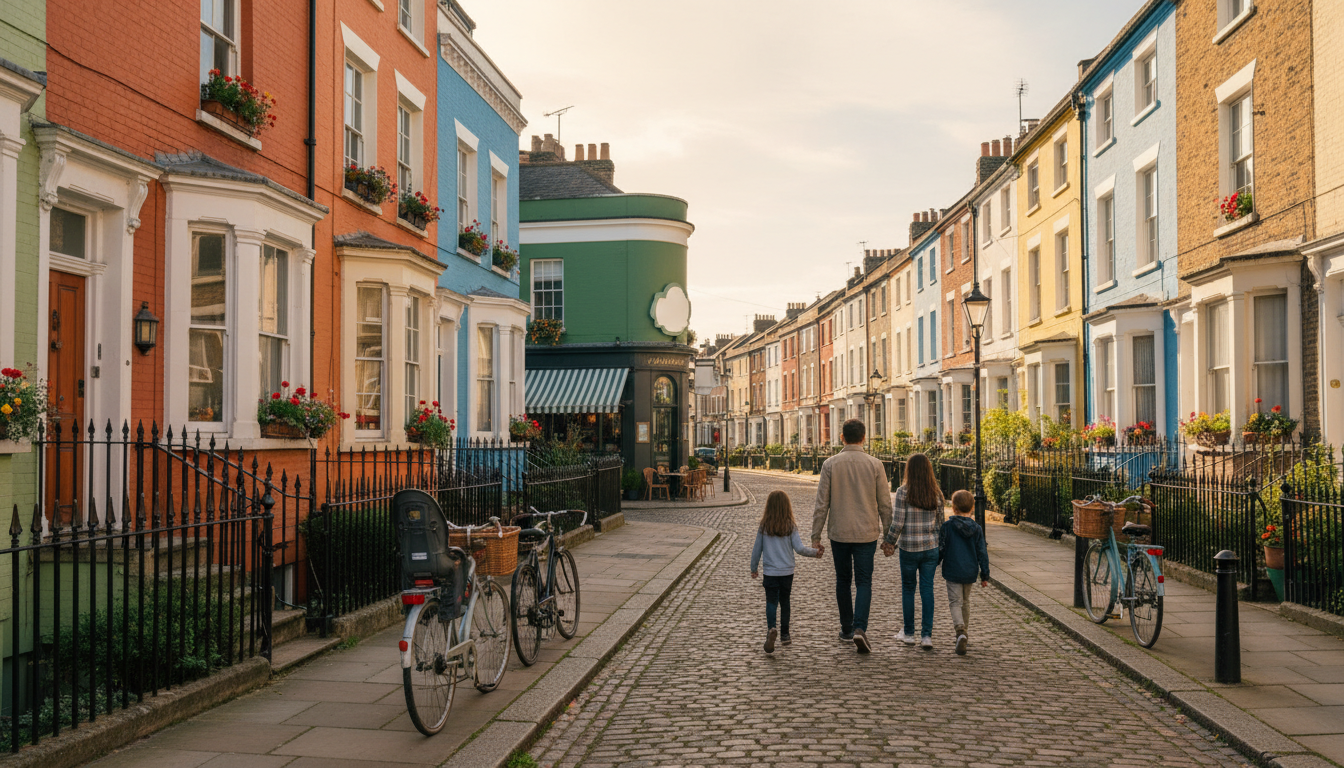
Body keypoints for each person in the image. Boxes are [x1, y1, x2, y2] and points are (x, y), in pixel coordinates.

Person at [812, 419, 893, 654]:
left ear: (842, 437)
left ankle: (846, 628)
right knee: (864, 581)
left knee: (843, 580)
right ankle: (860, 627)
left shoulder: (830, 464)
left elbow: (821, 504)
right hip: (866, 533)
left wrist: (815, 536)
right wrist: (889, 537)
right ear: (864, 437)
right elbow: (885, 505)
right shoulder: (875, 465)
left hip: (840, 532)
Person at [882, 452, 945, 649]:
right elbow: (941, 525)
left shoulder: (903, 491)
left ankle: (909, 633)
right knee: (927, 589)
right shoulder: (936, 493)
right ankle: (927, 636)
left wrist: (889, 542)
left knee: (908, 589)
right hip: (930, 548)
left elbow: (898, 522)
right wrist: (939, 545)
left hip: (909, 548)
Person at [751, 491, 822, 653]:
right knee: (785, 602)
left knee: (771, 602)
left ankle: (771, 629)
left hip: (770, 572)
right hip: (787, 572)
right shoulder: (790, 526)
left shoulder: (764, 526)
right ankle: (785, 634)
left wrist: (753, 568)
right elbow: (799, 548)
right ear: (786, 507)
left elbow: (757, 550)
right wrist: (814, 552)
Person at [938, 489, 990, 655]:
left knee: (955, 602)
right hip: (970, 571)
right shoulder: (977, 529)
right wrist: (985, 574)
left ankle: (960, 630)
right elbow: (982, 552)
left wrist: (934, 564)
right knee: (966, 601)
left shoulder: (947, 527)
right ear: (972, 508)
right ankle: (964, 632)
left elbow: (941, 548)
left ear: (953, 508)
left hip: (953, 569)